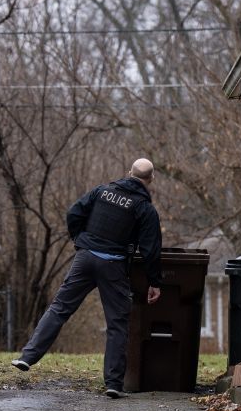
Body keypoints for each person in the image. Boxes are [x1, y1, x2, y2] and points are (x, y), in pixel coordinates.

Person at [11, 159, 163, 398]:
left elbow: (74, 213)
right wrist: (155, 281)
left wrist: (80, 240)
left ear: (128, 173)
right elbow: (151, 248)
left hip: (85, 258)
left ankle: (27, 357)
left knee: (59, 308)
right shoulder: (144, 208)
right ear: (151, 180)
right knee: (117, 324)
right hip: (113, 266)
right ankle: (113, 383)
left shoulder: (101, 191)